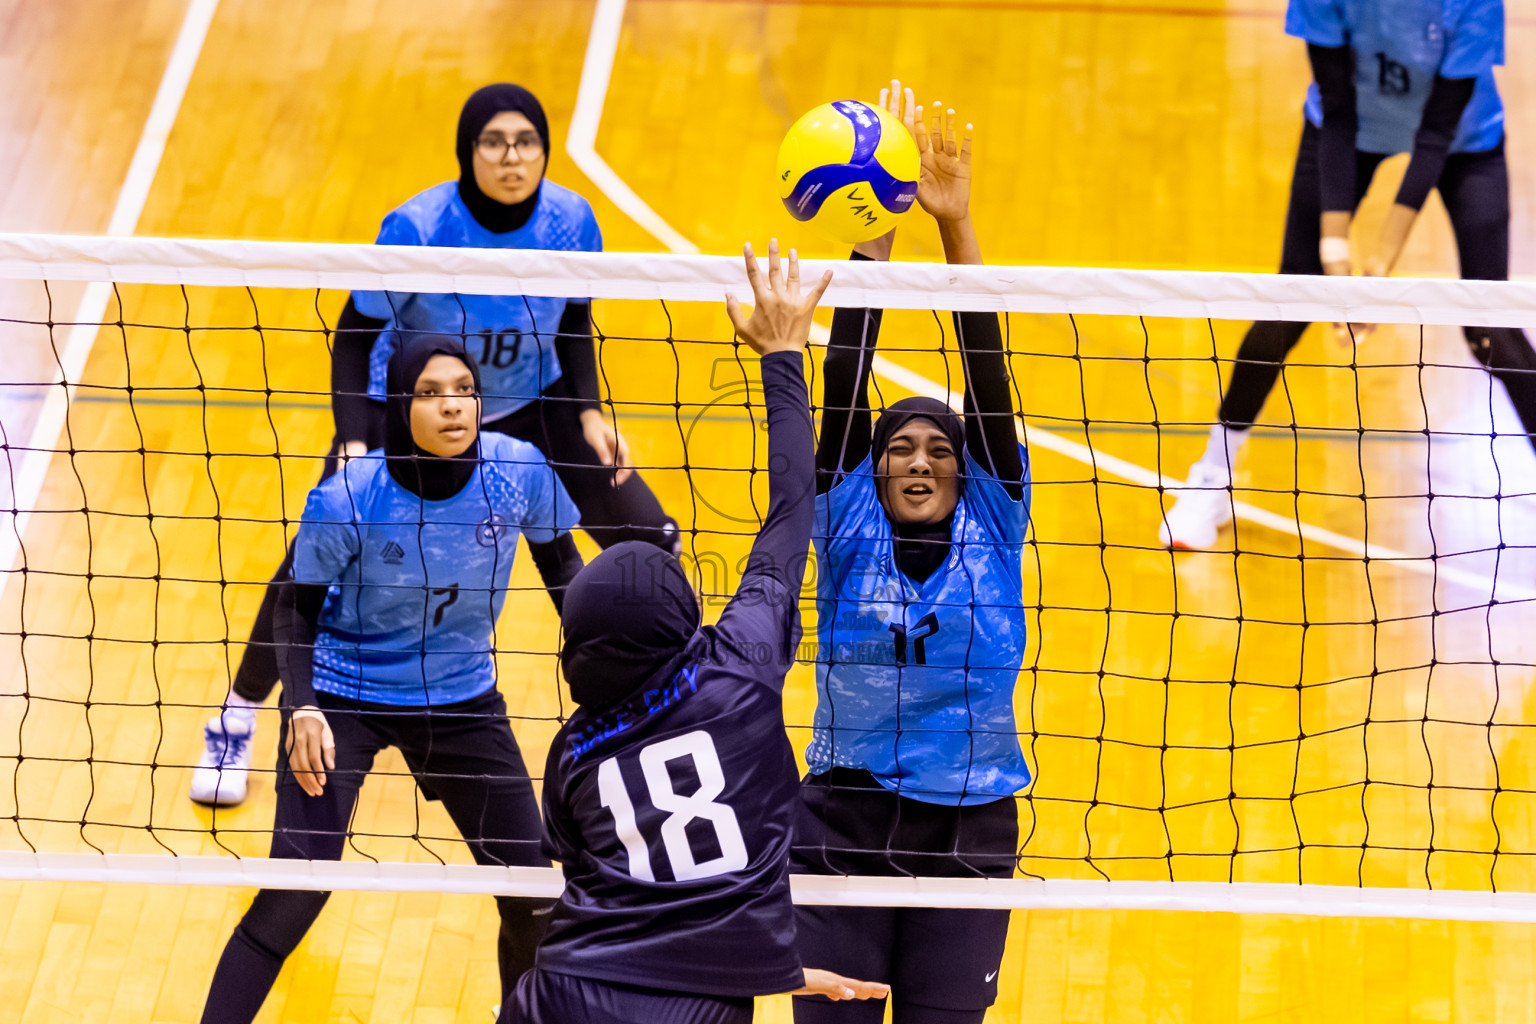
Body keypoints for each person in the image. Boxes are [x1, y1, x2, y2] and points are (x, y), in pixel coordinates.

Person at [191, 82, 678, 806]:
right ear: (467, 151)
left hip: (534, 406)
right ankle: (235, 716)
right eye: (494, 142)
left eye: (527, 142)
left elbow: (574, 318)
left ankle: (665, 718)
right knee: (306, 570)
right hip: (417, 412)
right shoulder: (418, 228)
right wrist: (357, 440)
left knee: (651, 539)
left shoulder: (572, 219)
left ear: (543, 152)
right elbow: (355, 337)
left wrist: (589, 412)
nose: (512, 158)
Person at [503, 241, 888, 1023]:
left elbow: (576, 865)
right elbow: (791, 511)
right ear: (680, 621)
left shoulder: (571, 752)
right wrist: (784, 356)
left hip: (566, 993)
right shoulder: (739, 665)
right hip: (699, 1005)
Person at [198, 333, 582, 1024]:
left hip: (462, 697)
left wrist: (620, 672)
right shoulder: (349, 495)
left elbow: (567, 578)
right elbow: (295, 607)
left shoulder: (518, 470)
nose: (452, 406)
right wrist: (304, 708)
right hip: (346, 694)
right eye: (430, 393)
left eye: (463, 389)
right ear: (400, 405)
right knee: (297, 890)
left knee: (532, 895)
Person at [791, 84, 1031, 1024]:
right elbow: (845, 379)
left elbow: (987, 372)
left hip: (969, 827)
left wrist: (956, 225)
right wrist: (875, 239)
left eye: (939, 447)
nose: (921, 458)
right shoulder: (843, 519)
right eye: (900, 447)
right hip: (841, 819)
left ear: (966, 471)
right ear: (873, 468)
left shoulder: (994, 519)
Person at [1159, 0, 1531, 548]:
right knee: (1292, 303)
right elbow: (1337, 107)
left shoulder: (1473, 5)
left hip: (1462, 143)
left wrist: (1378, 263)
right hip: (1347, 131)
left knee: (1493, 333)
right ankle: (1210, 481)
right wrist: (1335, 256)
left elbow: (1436, 135)